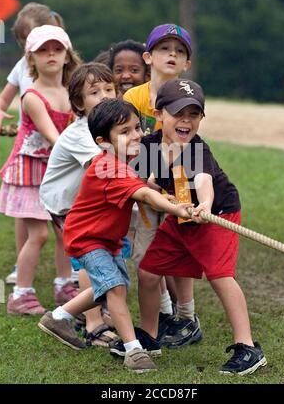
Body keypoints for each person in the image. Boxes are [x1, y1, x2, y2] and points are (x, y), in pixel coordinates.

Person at [38, 99, 193, 372]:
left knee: (113, 284)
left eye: (137, 128)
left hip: (106, 239)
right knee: (115, 288)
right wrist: (174, 207)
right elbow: (143, 194)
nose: (135, 135)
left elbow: (140, 185)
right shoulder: (108, 167)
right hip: (88, 238)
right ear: (102, 141)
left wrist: (166, 195)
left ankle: (58, 317)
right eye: (124, 132)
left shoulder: (121, 161)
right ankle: (134, 351)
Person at [137, 78, 267, 375]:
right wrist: (157, 190)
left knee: (220, 276)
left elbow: (204, 183)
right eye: (178, 113)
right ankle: (148, 336)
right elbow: (145, 182)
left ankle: (247, 347)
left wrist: (205, 206)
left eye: (194, 114)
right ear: (158, 115)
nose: (186, 120)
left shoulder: (196, 149)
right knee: (148, 272)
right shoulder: (148, 146)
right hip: (181, 217)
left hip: (217, 214)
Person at [123, 23, 198, 343]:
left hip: (180, 178)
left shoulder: (190, 95)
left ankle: (187, 316)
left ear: (187, 64)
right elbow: (124, 139)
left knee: (180, 250)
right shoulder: (132, 97)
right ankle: (165, 314)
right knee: (146, 251)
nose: (172, 55)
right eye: (165, 49)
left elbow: (190, 145)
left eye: (179, 51)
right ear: (148, 57)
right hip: (143, 184)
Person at [0, 25, 80, 315]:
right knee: (39, 235)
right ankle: (21, 295)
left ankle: (64, 285)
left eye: (57, 49)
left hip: (55, 171)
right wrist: (84, 156)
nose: (51, 55)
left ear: (67, 55)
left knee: (63, 232)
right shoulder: (32, 95)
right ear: (30, 59)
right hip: (31, 171)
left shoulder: (71, 92)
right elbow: (53, 136)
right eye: (43, 50)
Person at [40, 62, 118, 346]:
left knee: (99, 258)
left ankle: (98, 312)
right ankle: (93, 323)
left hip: (86, 205)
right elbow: (104, 168)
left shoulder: (109, 128)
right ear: (79, 103)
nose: (106, 95)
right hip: (67, 206)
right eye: (95, 92)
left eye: (110, 89)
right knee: (88, 261)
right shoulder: (80, 133)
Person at [0, 2, 65, 285]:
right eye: (26, 41)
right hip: (29, 148)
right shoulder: (21, 68)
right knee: (25, 212)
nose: (34, 45)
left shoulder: (62, 69)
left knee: (62, 214)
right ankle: (20, 265)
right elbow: (4, 98)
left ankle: (68, 272)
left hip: (58, 152)